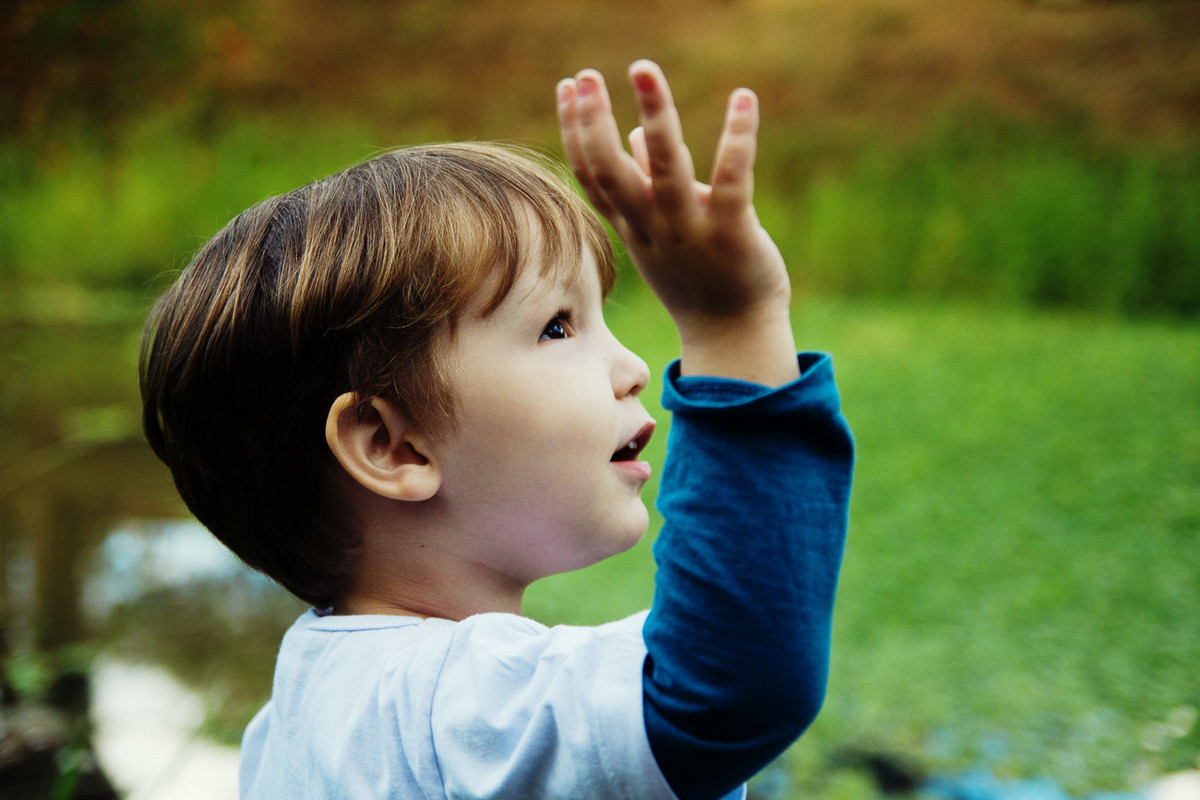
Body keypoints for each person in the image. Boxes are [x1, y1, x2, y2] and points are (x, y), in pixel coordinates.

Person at [139, 59, 854, 800]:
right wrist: (734, 330)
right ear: (393, 446)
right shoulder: (447, 710)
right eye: (556, 327)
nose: (635, 367)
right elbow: (727, 686)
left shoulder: (294, 719)